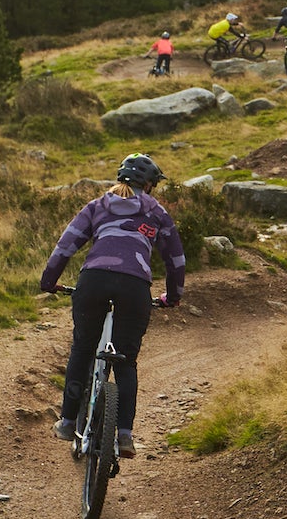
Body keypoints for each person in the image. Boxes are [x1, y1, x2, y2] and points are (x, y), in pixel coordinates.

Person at [40, 153, 184, 459]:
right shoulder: (156, 211)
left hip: (93, 282)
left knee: (82, 349)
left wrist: (49, 280)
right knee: (126, 361)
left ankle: (67, 422)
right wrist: (173, 296)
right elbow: (176, 261)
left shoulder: (97, 205)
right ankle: (124, 436)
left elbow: (65, 245)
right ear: (149, 184)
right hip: (135, 289)